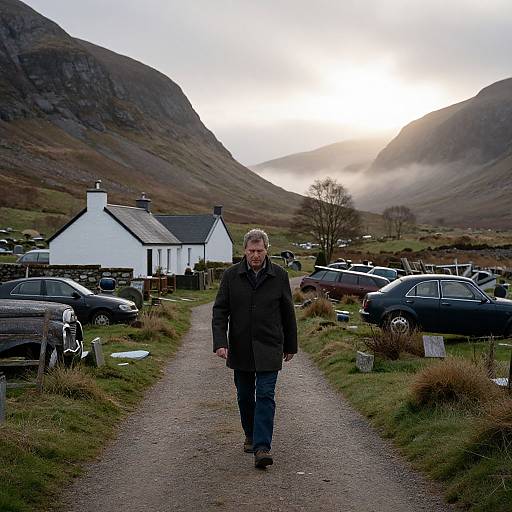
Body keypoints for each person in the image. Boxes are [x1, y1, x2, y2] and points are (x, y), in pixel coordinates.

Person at [212, 228, 297, 468]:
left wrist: (291, 345)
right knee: (245, 396)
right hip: (241, 347)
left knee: (266, 395)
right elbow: (220, 312)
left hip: (270, 346)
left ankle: (262, 447)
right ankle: (250, 434)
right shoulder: (231, 276)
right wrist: (220, 342)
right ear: (244, 251)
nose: (256, 255)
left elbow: (288, 312)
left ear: (266, 250)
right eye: (251, 251)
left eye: (260, 251)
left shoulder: (279, 275)